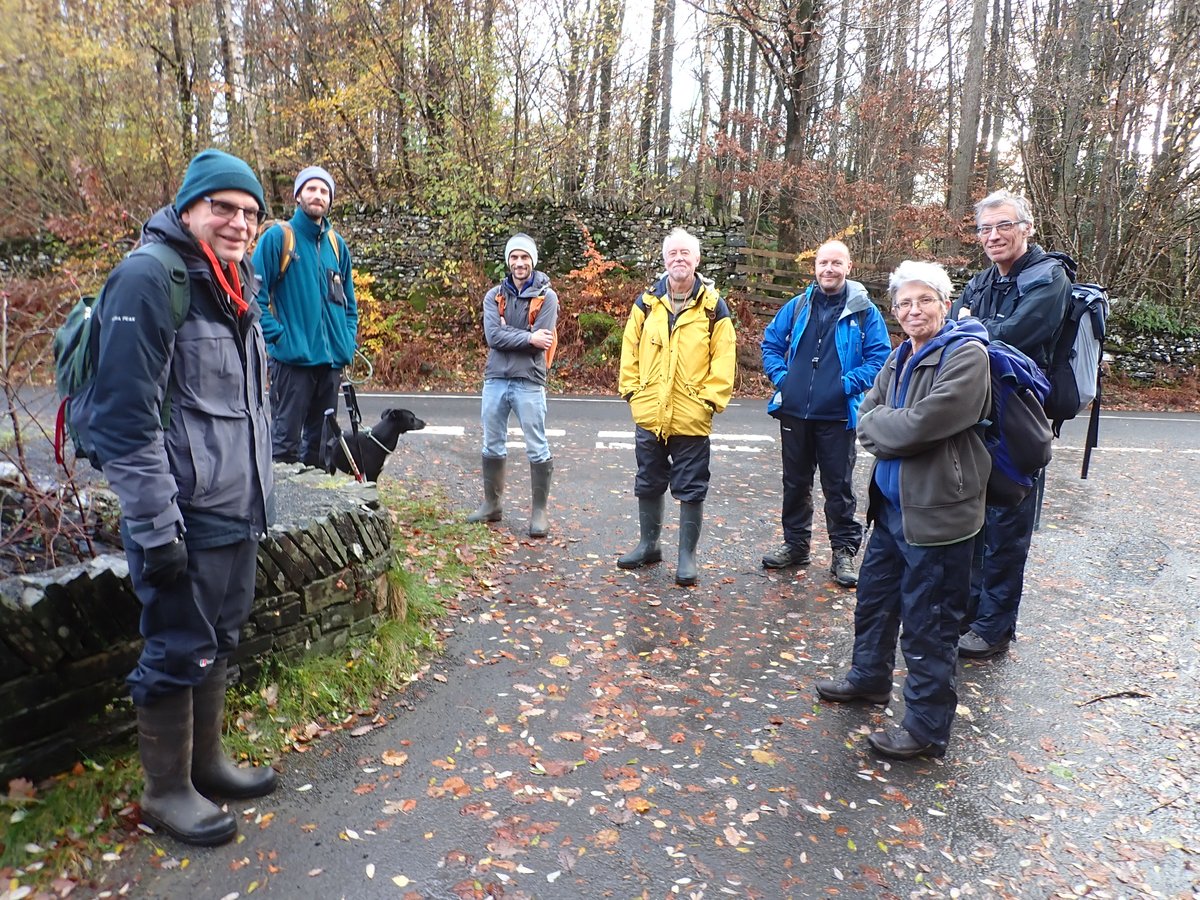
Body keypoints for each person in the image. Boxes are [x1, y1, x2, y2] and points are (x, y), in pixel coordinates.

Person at [89, 149, 277, 845]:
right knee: (176, 648)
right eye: (223, 208)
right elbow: (125, 420)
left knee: (217, 640)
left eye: (250, 212)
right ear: (190, 207)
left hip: (235, 503)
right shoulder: (149, 278)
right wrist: (155, 525)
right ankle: (167, 791)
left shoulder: (235, 278)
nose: (237, 222)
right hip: (181, 510)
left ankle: (206, 766)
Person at [816, 261, 991, 760]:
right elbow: (867, 415)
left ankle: (926, 728)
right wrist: (893, 428)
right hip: (891, 510)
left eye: (924, 300)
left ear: (944, 303)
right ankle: (868, 678)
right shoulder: (899, 356)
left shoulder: (966, 356)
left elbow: (920, 425)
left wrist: (890, 431)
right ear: (894, 311)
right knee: (875, 600)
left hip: (937, 515)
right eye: (905, 303)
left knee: (930, 623)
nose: (914, 310)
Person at [951, 190, 1072, 658]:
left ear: (1027, 227)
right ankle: (969, 613)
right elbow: (953, 329)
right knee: (974, 516)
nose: (994, 236)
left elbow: (1020, 333)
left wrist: (972, 327)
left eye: (1004, 225)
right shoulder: (983, 280)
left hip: (1021, 416)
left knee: (1008, 519)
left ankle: (995, 627)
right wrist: (970, 328)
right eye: (985, 228)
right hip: (979, 412)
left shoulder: (1050, 277)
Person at [759, 240, 891, 587]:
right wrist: (783, 379)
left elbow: (880, 358)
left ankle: (843, 552)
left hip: (837, 415)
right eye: (822, 263)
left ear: (849, 267)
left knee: (839, 486)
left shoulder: (864, 311)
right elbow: (771, 343)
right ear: (814, 267)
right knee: (795, 482)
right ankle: (796, 544)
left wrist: (846, 383)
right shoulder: (798, 305)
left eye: (836, 263)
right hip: (794, 412)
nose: (828, 269)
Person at [616, 227, 737, 586]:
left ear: (697, 260)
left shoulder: (713, 306)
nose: (679, 259)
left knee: (691, 486)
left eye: (686, 253)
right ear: (664, 259)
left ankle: (687, 556)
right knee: (648, 481)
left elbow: (724, 357)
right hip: (650, 413)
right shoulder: (646, 303)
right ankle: (648, 544)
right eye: (673, 254)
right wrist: (633, 394)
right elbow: (630, 350)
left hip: (691, 416)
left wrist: (708, 402)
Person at [253, 165, 358, 465]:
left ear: (330, 200)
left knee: (322, 448)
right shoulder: (278, 239)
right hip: (293, 362)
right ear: (298, 195)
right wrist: (278, 337)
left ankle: (315, 511)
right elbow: (253, 296)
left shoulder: (337, 246)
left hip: (331, 364)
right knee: (284, 446)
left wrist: (346, 342)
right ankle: (279, 510)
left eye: (324, 191)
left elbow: (349, 304)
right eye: (311, 189)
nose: (318, 195)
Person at [466, 233, 558, 537]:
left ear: (533, 260)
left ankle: (539, 513)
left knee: (537, 445)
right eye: (514, 257)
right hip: (495, 379)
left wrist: (521, 336)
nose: (519, 263)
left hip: (530, 380)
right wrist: (528, 336)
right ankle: (492, 505)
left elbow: (541, 342)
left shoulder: (547, 296)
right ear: (508, 261)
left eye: (524, 257)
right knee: (492, 442)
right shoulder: (494, 296)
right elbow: (493, 337)